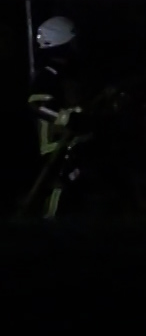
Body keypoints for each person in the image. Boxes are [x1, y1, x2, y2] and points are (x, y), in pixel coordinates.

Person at [23, 16, 89, 218]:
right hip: (55, 151)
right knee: (57, 197)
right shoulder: (47, 76)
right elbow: (37, 105)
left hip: (73, 148)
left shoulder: (68, 75)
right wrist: (66, 119)